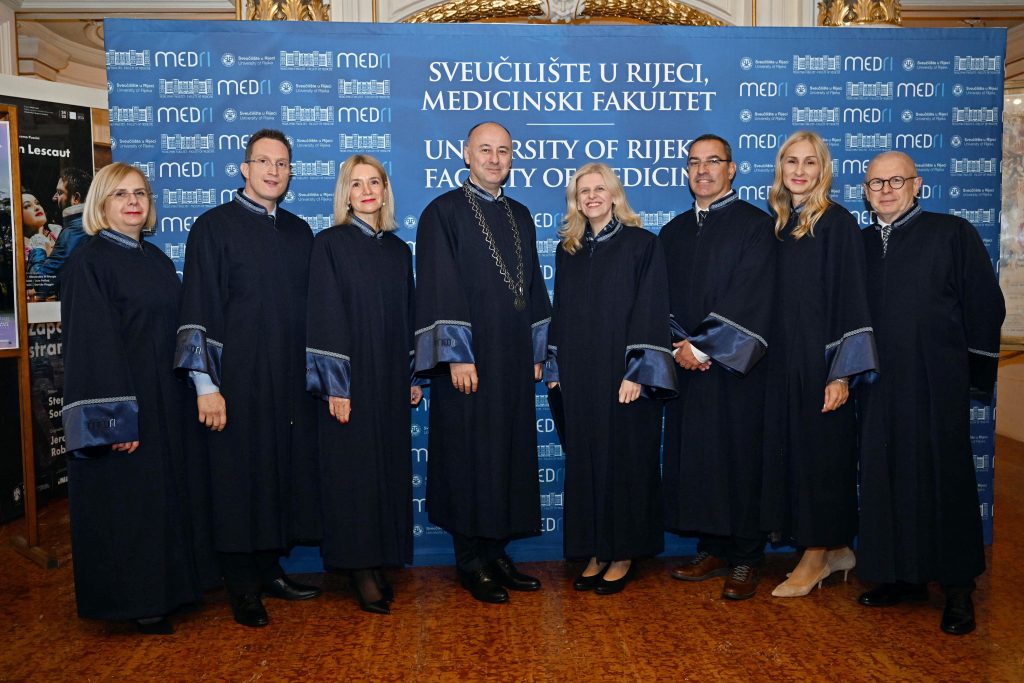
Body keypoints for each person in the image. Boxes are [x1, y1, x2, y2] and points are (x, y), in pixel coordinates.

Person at [60, 162, 216, 634]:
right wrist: (114, 420)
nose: (133, 202)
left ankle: (173, 589)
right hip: (125, 404)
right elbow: (92, 346)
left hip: (166, 399)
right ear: (101, 203)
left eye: (140, 194)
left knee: (163, 498)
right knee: (130, 503)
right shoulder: (87, 263)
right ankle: (139, 601)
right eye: (121, 194)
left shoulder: (156, 260)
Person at [174, 128, 322, 628]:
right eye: (263, 161)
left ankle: (268, 570)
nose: (273, 171)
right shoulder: (212, 227)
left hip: (288, 382)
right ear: (244, 168)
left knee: (277, 474)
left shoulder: (300, 233)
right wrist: (205, 386)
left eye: (281, 163)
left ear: (290, 172)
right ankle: (240, 584)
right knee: (238, 479)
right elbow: (198, 308)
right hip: (234, 382)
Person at [856, 151, 1005, 635]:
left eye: (896, 181)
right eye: (876, 183)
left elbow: (984, 304)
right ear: (865, 192)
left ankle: (958, 589)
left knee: (945, 479)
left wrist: (972, 374)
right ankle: (901, 577)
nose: (886, 190)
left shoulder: (952, 233)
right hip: (877, 385)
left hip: (935, 382)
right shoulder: (859, 244)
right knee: (887, 477)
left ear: (917, 184)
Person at [414, 121, 551, 604]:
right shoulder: (442, 212)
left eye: (503, 151)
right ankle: (471, 560)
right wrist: (457, 355)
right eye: (485, 150)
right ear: (466, 154)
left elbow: (533, 285)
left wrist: (536, 349)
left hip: (512, 358)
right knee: (469, 455)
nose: (495, 159)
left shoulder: (521, 214)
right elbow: (439, 285)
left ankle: (496, 553)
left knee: (507, 454)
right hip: (469, 361)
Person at [544, 163, 676, 595]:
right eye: (583, 191)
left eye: (599, 189)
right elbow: (561, 312)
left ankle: (622, 554)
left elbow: (651, 310)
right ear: (575, 200)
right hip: (580, 377)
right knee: (586, 464)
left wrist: (637, 371)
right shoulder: (569, 250)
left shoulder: (642, 245)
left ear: (615, 194)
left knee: (625, 463)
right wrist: (556, 369)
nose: (592, 197)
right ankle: (595, 550)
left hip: (624, 378)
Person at [760, 132, 878, 597]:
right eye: (792, 161)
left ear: (823, 169)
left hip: (821, 364)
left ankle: (814, 557)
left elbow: (852, 298)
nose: (800, 170)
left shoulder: (838, 222)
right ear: (781, 168)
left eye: (810, 162)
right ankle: (836, 550)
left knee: (821, 461)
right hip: (782, 364)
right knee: (795, 457)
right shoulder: (779, 225)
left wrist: (842, 373)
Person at [659, 133, 776, 600]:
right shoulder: (673, 232)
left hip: (736, 370)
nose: (702, 170)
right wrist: (679, 345)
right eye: (694, 162)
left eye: (713, 161)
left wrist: (705, 348)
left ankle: (746, 556)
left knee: (739, 457)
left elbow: (755, 294)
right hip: (686, 366)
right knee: (699, 458)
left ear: (732, 169)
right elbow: (659, 298)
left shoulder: (756, 226)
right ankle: (711, 547)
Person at [306, 154, 422, 615]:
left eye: (374, 182)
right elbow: (324, 315)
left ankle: (380, 558)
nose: (367, 191)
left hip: (390, 378)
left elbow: (409, 316)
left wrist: (412, 376)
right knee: (352, 473)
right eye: (357, 184)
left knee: (385, 468)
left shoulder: (398, 251)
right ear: (346, 194)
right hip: (350, 381)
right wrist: (336, 385)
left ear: (385, 191)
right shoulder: (329, 244)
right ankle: (359, 569)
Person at [26, 168, 92, 299]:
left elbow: (42, 283)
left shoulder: (74, 232)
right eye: (27, 206)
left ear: (76, 198)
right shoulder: (86, 224)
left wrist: (38, 247)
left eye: (60, 192)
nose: (54, 197)